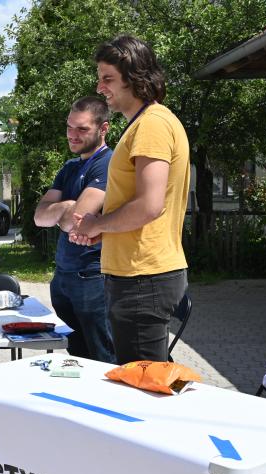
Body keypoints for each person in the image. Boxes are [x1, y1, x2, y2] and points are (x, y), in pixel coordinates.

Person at [71, 35, 190, 365]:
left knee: (144, 391)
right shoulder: (145, 124)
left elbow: (149, 205)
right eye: (99, 78)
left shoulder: (152, 125)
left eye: (108, 78)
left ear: (135, 77)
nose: (100, 87)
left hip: (143, 277)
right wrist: (101, 230)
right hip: (139, 275)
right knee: (143, 384)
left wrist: (97, 222)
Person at [33, 96, 115, 363]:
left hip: (92, 277)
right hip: (63, 276)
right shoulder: (70, 167)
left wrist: (61, 212)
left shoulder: (107, 163)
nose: (73, 135)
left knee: (104, 359)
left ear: (103, 129)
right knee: (78, 358)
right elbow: (39, 217)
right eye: (69, 127)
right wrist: (68, 206)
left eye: (82, 129)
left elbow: (74, 222)